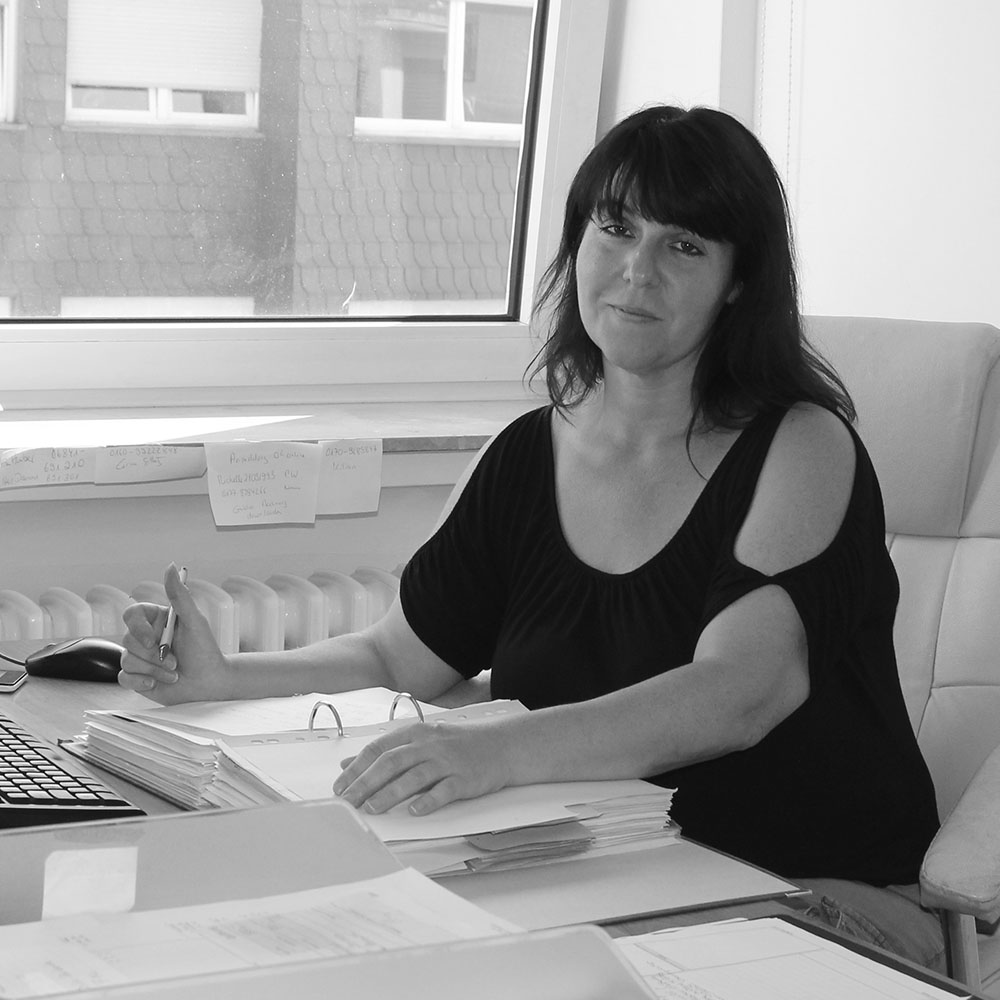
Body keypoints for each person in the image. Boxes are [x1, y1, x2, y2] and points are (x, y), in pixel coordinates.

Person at [121, 105, 943, 970]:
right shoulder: (526, 454)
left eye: (684, 245)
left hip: (809, 897)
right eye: (616, 228)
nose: (637, 270)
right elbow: (398, 657)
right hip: (603, 878)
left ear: (740, 282)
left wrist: (496, 751)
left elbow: (743, 691)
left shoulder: (801, 446)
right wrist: (226, 678)